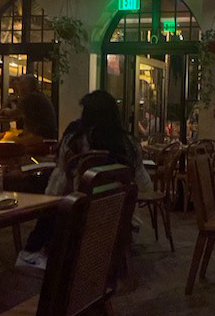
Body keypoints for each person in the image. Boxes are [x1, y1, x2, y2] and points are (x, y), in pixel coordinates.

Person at [17, 90, 153, 269]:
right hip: (121, 224)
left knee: (56, 206)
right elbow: (145, 187)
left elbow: (55, 189)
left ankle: (31, 253)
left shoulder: (74, 142)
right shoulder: (129, 144)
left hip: (79, 222)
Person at [1, 74, 58, 140]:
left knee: (5, 139)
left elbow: (13, 114)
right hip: (46, 136)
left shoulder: (29, 98)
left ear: (25, 86)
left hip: (39, 138)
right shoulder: (39, 96)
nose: (18, 88)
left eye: (20, 84)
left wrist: (5, 110)